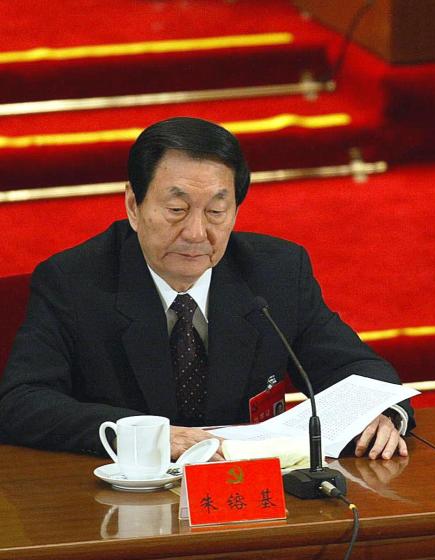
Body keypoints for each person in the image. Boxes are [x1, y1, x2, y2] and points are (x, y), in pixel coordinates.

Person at [0, 117, 412, 460]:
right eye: (176, 210)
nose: (197, 233)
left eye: (216, 211)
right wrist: (150, 437)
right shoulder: (73, 281)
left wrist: (379, 413)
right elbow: (20, 402)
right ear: (132, 206)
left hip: (249, 503)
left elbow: (355, 369)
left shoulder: (277, 272)